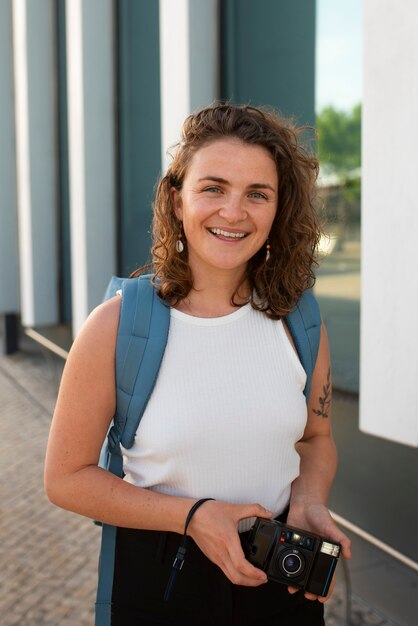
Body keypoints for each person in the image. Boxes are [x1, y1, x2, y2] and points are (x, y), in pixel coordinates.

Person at [44, 102, 351, 626]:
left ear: (279, 211)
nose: (234, 212)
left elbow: (316, 440)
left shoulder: (300, 321)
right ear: (176, 198)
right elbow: (66, 478)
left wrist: (309, 501)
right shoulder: (116, 326)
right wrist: (191, 517)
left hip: (275, 579)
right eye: (213, 187)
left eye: (258, 194)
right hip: (161, 580)